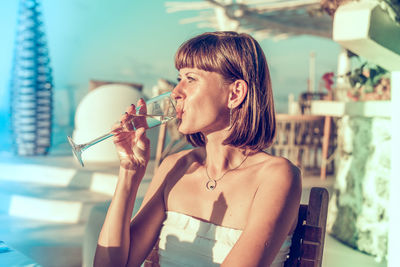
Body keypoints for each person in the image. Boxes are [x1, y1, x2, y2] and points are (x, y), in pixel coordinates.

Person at [94, 31, 302, 267]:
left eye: (191, 79)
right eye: (179, 78)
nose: (176, 92)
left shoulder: (276, 177)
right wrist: (130, 172)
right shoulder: (175, 167)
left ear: (235, 94)